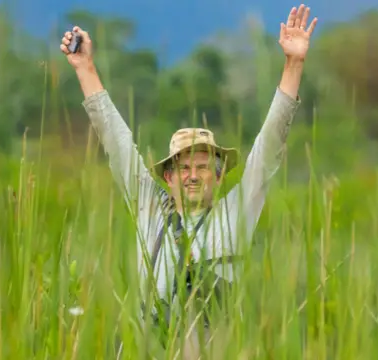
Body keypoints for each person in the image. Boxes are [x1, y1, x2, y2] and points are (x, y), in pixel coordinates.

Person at [61, 3, 318, 355]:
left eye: (202, 167)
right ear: (168, 177)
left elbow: (269, 145)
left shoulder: (236, 213)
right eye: (183, 168)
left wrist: (294, 63)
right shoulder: (149, 209)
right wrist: (85, 68)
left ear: (219, 175)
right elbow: (115, 140)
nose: (193, 176)